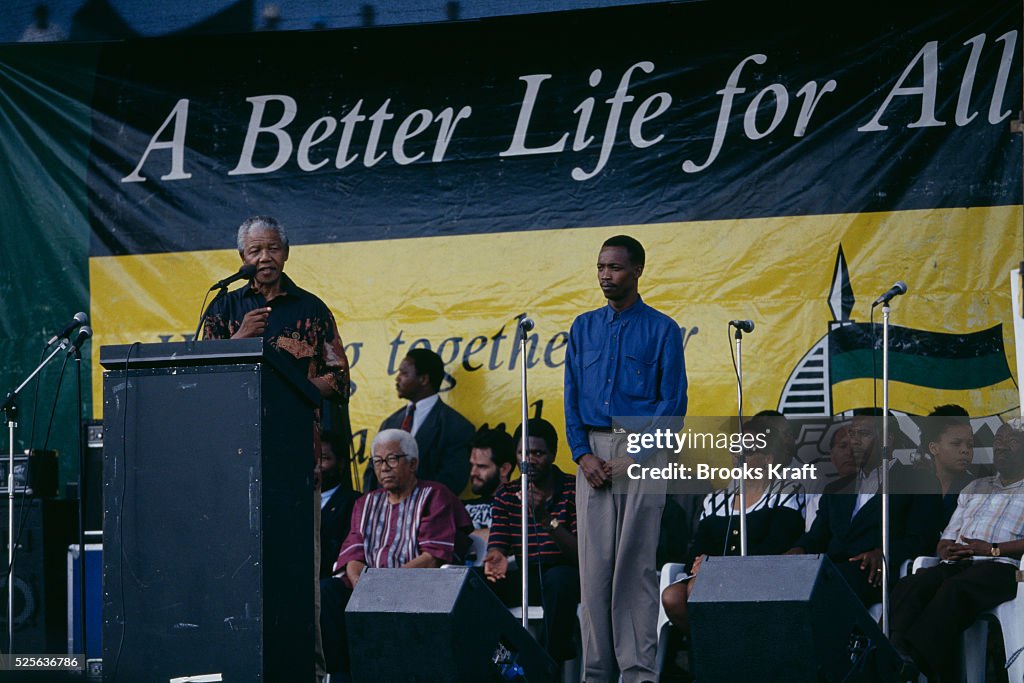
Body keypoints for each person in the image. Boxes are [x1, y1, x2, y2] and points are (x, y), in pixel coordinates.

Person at [201, 215, 349, 680]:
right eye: (254, 252)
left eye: (272, 249)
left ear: (286, 252)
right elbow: (200, 375)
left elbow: (341, 379)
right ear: (241, 258)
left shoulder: (311, 309)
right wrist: (239, 339)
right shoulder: (223, 308)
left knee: (300, 571)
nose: (264, 258)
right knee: (236, 566)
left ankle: (312, 668)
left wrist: (299, 387)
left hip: (296, 461)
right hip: (234, 459)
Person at [564, 235, 687, 682]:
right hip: (593, 456)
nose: (605, 276)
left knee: (635, 567)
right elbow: (571, 398)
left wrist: (634, 455)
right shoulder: (582, 327)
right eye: (600, 267)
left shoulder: (662, 329)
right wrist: (581, 454)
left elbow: (672, 404)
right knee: (593, 570)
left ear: (637, 270)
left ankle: (638, 674)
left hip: (642, 454)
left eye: (614, 268)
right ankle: (596, 673)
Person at [320, 429, 473, 677]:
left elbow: (432, 557)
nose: (384, 468)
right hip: (367, 589)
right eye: (378, 461)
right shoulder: (365, 503)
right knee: (327, 592)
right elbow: (353, 554)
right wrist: (364, 586)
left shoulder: (434, 495)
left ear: (413, 463)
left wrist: (386, 585)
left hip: (417, 588)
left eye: (392, 459)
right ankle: (343, 674)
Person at [890, 419, 1024, 681]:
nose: (1001, 447)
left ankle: (919, 663)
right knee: (914, 584)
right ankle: (893, 650)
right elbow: (946, 539)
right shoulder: (975, 487)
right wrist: (946, 550)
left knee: (954, 590)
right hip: (960, 563)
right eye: (998, 441)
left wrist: (992, 549)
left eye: (1012, 441)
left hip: (1004, 568)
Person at [661, 414, 806, 636]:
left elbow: (777, 545)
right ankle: (711, 647)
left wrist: (719, 566)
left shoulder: (785, 492)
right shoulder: (717, 500)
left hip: (763, 575)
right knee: (672, 596)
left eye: (747, 451)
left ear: (768, 458)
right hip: (715, 576)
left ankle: (719, 654)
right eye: (735, 448)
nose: (738, 456)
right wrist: (700, 562)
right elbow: (697, 548)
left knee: (697, 588)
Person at [786, 411, 942, 605]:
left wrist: (883, 553)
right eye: (852, 434)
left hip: (876, 574)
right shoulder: (836, 488)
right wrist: (799, 548)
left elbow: (922, 539)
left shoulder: (917, 480)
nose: (855, 442)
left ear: (888, 440)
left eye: (864, 434)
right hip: (832, 569)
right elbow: (818, 534)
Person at [483, 418, 580, 662]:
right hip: (527, 577)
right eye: (523, 452)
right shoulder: (507, 494)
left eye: (538, 453)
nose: (529, 460)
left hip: (565, 575)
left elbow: (581, 555)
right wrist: (495, 557)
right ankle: (500, 663)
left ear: (554, 454)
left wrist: (545, 518)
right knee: (474, 585)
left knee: (560, 581)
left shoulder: (574, 488)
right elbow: (499, 541)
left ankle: (548, 663)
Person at [363, 348, 475, 496]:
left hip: (428, 514)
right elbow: (372, 472)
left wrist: (411, 503)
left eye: (404, 373)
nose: (397, 379)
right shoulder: (390, 423)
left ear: (423, 379)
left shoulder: (457, 426)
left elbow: (452, 480)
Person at [915, 404, 976, 529]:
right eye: (956, 444)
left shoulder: (977, 489)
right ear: (933, 448)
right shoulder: (914, 487)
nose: (965, 450)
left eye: (970, 445)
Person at [464, 423, 517, 544]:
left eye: (481, 466)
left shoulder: (519, 504)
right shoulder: (460, 506)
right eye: (472, 465)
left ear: (504, 469)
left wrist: (462, 536)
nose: (473, 472)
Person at [319, 433, 357, 580]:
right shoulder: (296, 502)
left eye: (324, 458)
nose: (316, 465)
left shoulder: (354, 502)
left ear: (341, 463)